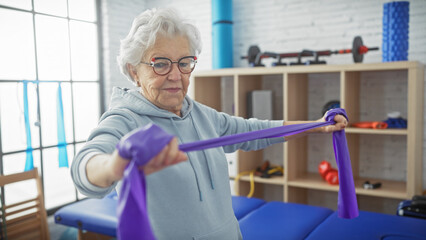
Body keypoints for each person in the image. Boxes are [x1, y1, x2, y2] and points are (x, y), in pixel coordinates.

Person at [71, 8, 348, 240]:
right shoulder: (125, 120)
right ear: (134, 71)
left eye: (184, 62)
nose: (176, 75)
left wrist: (314, 126)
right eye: (160, 64)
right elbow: (84, 166)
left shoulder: (200, 114)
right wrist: (114, 163)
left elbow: (255, 130)